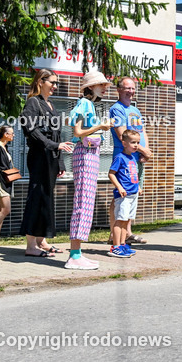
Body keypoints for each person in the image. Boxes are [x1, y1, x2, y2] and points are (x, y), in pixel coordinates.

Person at [20, 69, 74, 257]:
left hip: (50, 158)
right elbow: (32, 130)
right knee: (36, 197)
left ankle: (41, 240)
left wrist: (59, 163)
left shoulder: (50, 105)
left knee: (46, 199)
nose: (55, 86)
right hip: (38, 157)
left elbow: (56, 135)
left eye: (56, 82)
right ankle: (30, 246)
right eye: (52, 82)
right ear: (41, 82)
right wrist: (54, 145)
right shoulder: (33, 103)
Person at [65, 71, 113, 269]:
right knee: (82, 203)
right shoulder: (85, 104)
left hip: (90, 153)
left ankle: (77, 254)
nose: (104, 87)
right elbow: (76, 132)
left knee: (86, 202)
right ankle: (74, 256)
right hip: (85, 153)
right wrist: (100, 126)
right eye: (100, 84)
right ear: (90, 87)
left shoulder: (90, 105)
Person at [108, 77, 153, 246]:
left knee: (132, 195)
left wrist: (145, 152)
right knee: (121, 197)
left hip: (136, 159)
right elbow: (121, 135)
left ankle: (127, 233)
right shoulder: (116, 109)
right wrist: (142, 150)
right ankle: (114, 235)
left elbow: (142, 132)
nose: (131, 91)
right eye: (127, 88)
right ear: (119, 90)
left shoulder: (135, 110)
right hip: (124, 159)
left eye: (133, 88)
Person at [107, 130, 141, 258]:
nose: (136, 145)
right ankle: (115, 247)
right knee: (119, 220)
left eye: (137, 142)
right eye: (133, 142)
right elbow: (111, 174)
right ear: (124, 143)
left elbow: (132, 175)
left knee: (126, 220)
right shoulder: (119, 157)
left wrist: (138, 186)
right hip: (123, 196)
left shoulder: (132, 157)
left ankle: (122, 244)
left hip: (133, 194)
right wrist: (119, 187)